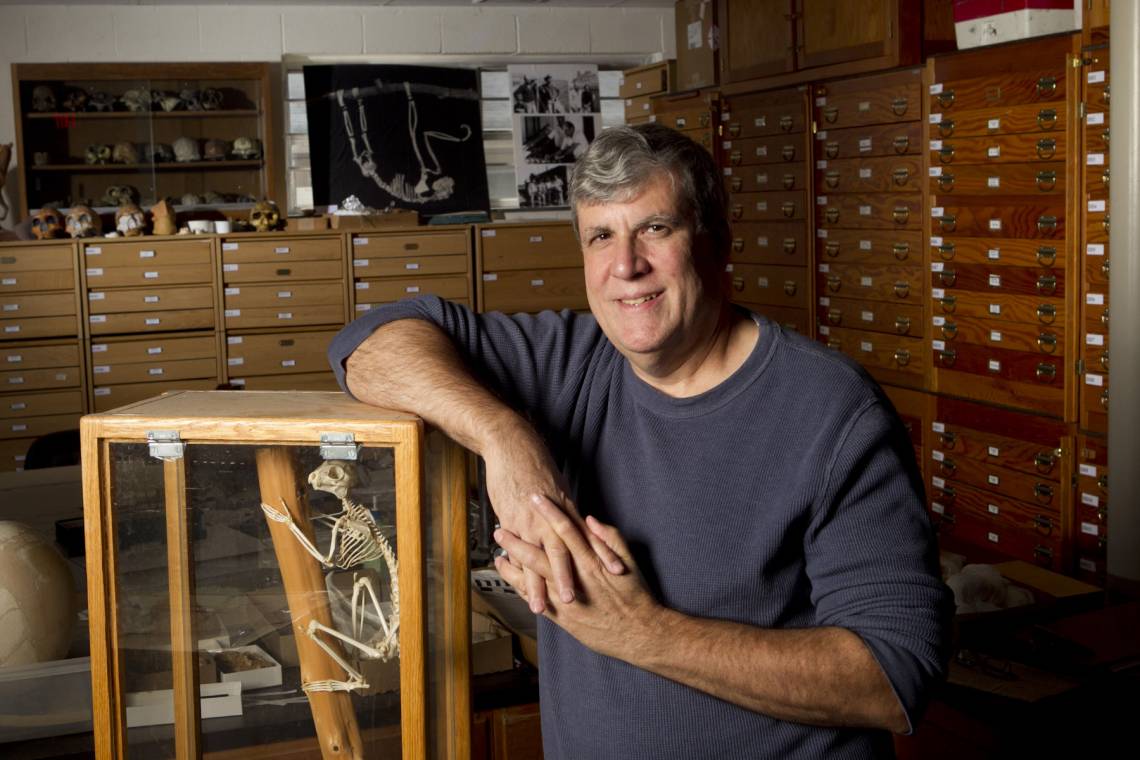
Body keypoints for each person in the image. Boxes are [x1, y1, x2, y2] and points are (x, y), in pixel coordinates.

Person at [329, 123, 952, 758]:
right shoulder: (569, 362)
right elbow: (370, 345)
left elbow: (894, 675)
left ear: (717, 242)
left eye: (656, 228)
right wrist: (502, 433)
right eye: (601, 236)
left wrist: (642, 633)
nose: (626, 265)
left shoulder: (831, 409)